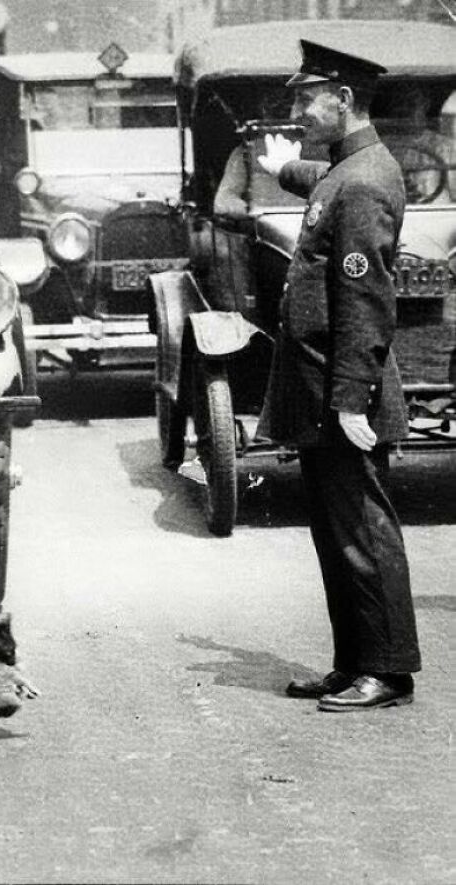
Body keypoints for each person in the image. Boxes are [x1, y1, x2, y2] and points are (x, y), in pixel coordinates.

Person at [255, 40, 421, 711]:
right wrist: (283, 168)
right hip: (324, 388)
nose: (296, 109)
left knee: (363, 531)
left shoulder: (363, 182)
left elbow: (366, 300)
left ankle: (388, 671)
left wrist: (352, 399)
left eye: (305, 97)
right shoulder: (348, 170)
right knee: (336, 531)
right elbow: (322, 183)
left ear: (343, 99)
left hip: (344, 391)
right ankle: (354, 662)